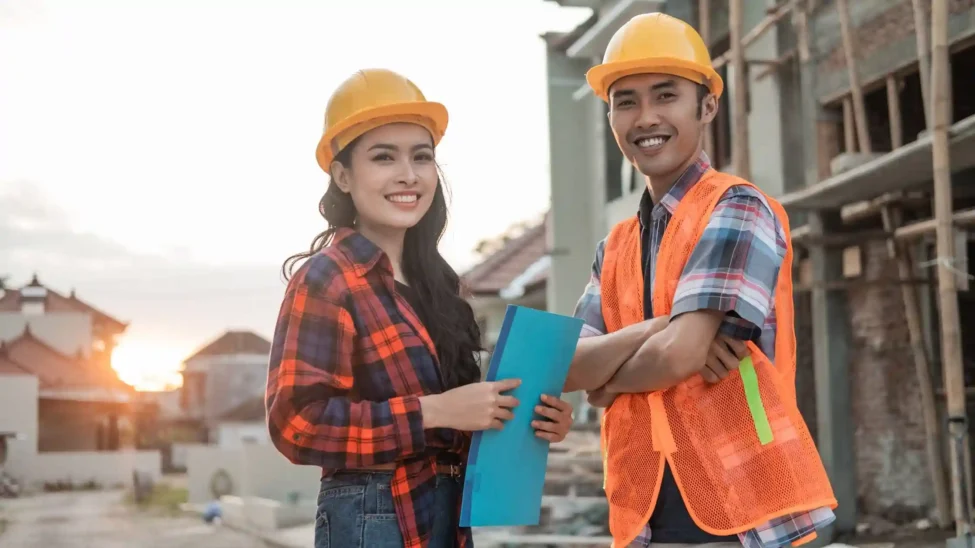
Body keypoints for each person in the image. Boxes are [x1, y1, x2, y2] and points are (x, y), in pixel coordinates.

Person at [265, 68, 576, 548]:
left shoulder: (440, 286)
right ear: (343, 175)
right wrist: (433, 411)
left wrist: (526, 422)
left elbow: (455, 421)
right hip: (375, 517)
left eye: (422, 157)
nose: (408, 174)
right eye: (383, 157)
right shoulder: (327, 279)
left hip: (445, 515)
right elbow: (296, 425)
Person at [562, 13, 838, 548]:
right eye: (626, 101)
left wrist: (610, 380)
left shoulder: (735, 207)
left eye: (665, 96)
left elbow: (679, 356)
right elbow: (570, 366)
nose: (646, 117)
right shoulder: (614, 248)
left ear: (707, 106)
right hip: (645, 513)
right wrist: (665, 325)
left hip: (743, 507)